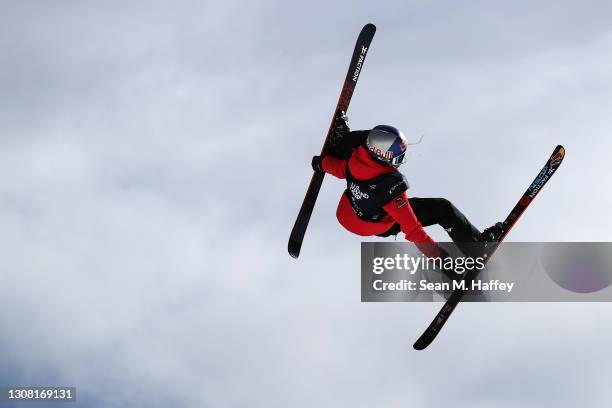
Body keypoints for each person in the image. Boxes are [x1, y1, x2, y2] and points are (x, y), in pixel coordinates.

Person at [311, 111, 504, 261]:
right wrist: (442, 260)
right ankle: (477, 249)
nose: (400, 162)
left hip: (347, 214)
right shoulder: (391, 191)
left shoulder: (355, 158)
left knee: (358, 142)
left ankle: (339, 140)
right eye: (399, 157)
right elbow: (413, 231)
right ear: (386, 158)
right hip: (375, 224)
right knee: (443, 209)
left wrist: (321, 163)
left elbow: (339, 168)